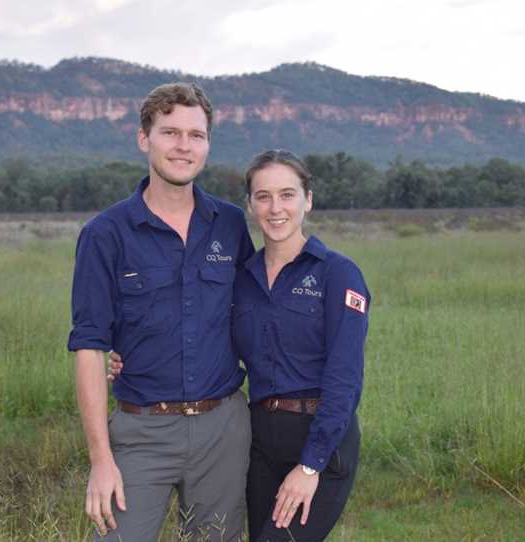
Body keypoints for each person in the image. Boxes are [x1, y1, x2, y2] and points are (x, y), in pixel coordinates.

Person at [111, 149, 370, 541]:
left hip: (320, 439)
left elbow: (345, 379)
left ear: (308, 200)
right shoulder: (242, 278)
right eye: (263, 196)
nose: (275, 207)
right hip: (259, 439)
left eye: (287, 195)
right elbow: (200, 327)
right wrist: (122, 354)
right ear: (249, 205)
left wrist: (310, 466)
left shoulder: (338, 273)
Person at [68, 82, 254, 542]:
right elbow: (90, 348)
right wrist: (100, 460)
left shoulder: (229, 224)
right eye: (170, 132)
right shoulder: (105, 234)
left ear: (208, 143)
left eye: (196, 135)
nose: (183, 146)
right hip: (140, 432)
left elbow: (255, 313)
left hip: (223, 429)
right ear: (143, 138)